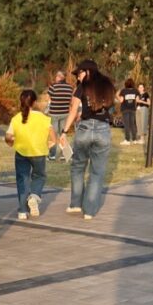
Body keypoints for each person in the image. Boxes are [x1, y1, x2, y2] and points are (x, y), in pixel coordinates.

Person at [60, 59, 116, 219]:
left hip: (85, 129)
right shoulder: (108, 85)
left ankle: (76, 204)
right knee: (97, 172)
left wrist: (64, 131)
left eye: (79, 73)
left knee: (78, 167)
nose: (78, 77)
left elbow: (72, 110)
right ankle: (90, 211)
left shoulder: (82, 86)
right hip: (103, 129)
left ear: (88, 71)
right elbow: (111, 107)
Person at [5, 90, 56, 220]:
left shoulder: (16, 118)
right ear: (34, 102)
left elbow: (8, 136)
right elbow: (51, 132)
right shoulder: (41, 117)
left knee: (22, 180)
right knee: (39, 176)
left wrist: (11, 142)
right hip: (39, 152)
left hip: (21, 152)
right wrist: (52, 142)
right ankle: (34, 196)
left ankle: (22, 211)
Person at [45, 71, 75, 161]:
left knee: (53, 135)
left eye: (56, 76)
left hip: (54, 113)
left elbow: (48, 98)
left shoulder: (53, 86)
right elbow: (71, 101)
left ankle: (52, 155)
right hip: (65, 113)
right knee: (63, 134)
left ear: (59, 77)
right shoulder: (70, 87)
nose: (55, 78)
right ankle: (64, 155)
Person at [117, 79, 140, 145]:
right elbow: (137, 100)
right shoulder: (135, 90)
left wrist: (117, 96)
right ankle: (134, 139)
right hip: (132, 109)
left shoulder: (124, 91)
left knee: (127, 125)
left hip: (125, 109)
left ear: (126, 84)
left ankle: (127, 140)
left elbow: (121, 101)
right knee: (133, 124)